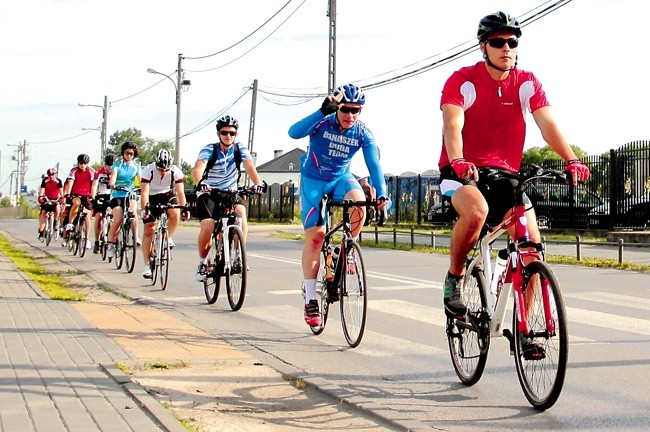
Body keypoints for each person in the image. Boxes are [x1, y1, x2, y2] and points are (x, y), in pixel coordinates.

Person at [437, 11, 590, 340]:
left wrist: (571, 159)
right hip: (462, 171)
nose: (506, 47)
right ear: (484, 46)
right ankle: (454, 277)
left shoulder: (527, 82)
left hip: (506, 175)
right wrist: (459, 158)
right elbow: (453, 124)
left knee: (532, 247)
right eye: (498, 41)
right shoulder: (462, 80)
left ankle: (526, 330)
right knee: (476, 212)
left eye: (512, 42)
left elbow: (547, 124)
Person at [288, 83, 388, 327]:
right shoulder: (323, 121)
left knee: (359, 204)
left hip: (340, 178)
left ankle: (346, 250)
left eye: (356, 111)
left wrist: (383, 197)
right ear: (336, 107)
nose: (350, 116)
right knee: (316, 237)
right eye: (345, 110)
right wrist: (322, 111)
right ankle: (311, 296)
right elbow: (294, 132)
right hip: (314, 180)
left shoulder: (363, 132)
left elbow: (374, 165)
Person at [192, 115, 265, 282]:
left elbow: (249, 166)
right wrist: (200, 183)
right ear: (218, 134)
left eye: (232, 133)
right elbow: (198, 169)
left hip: (230, 192)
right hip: (209, 192)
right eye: (224, 132)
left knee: (241, 214)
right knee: (208, 226)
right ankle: (203, 263)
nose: (228, 136)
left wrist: (258, 183)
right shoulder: (209, 149)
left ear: (236, 135)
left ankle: (240, 255)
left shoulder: (240, 149)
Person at [139, 149, 189, 278]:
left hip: (167, 194)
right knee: (148, 229)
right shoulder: (147, 170)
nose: (163, 172)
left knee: (175, 212)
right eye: (160, 169)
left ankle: (167, 237)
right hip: (151, 196)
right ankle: (146, 265)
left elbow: (180, 192)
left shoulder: (176, 171)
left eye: (166, 170)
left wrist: (184, 208)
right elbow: (144, 192)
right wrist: (145, 208)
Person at [107, 141, 142, 259]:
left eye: (132, 154)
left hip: (130, 192)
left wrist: (144, 187)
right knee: (118, 218)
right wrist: (112, 183)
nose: (129, 156)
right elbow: (114, 175)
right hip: (117, 194)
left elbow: (141, 179)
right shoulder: (117, 164)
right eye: (127, 153)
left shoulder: (136, 165)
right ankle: (111, 243)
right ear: (123, 153)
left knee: (133, 211)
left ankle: (135, 236)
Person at [62, 154, 96, 249]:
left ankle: (87, 239)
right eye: (81, 163)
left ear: (87, 164)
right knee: (76, 203)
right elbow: (70, 182)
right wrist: (68, 193)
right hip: (76, 194)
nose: (83, 165)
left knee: (88, 214)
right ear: (78, 163)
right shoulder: (74, 170)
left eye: (85, 163)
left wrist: (92, 195)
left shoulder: (92, 171)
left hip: (87, 195)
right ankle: (70, 223)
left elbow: (94, 185)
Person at [90, 154, 114, 254]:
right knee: (99, 216)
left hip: (112, 196)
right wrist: (93, 196)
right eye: (108, 165)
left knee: (116, 215)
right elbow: (94, 185)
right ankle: (97, 241)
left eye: (111, 165)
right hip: (101, 195)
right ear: (105, 164)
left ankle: (113, 238)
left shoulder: (116, 172)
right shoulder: (99, 172)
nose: (110, 167)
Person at [37, 167, 64, 239]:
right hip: (47, 199)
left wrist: (62, 198)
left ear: (55, 174)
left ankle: (55, 222)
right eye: (49, 175)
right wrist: (40, 197)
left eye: (52, 174)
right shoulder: (45, 181)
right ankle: (41, 232)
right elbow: (42, 190)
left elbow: (61, 192)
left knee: (58, 208)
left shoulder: (59, 181)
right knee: (43, 213)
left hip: (55, 199)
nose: (51, 176)